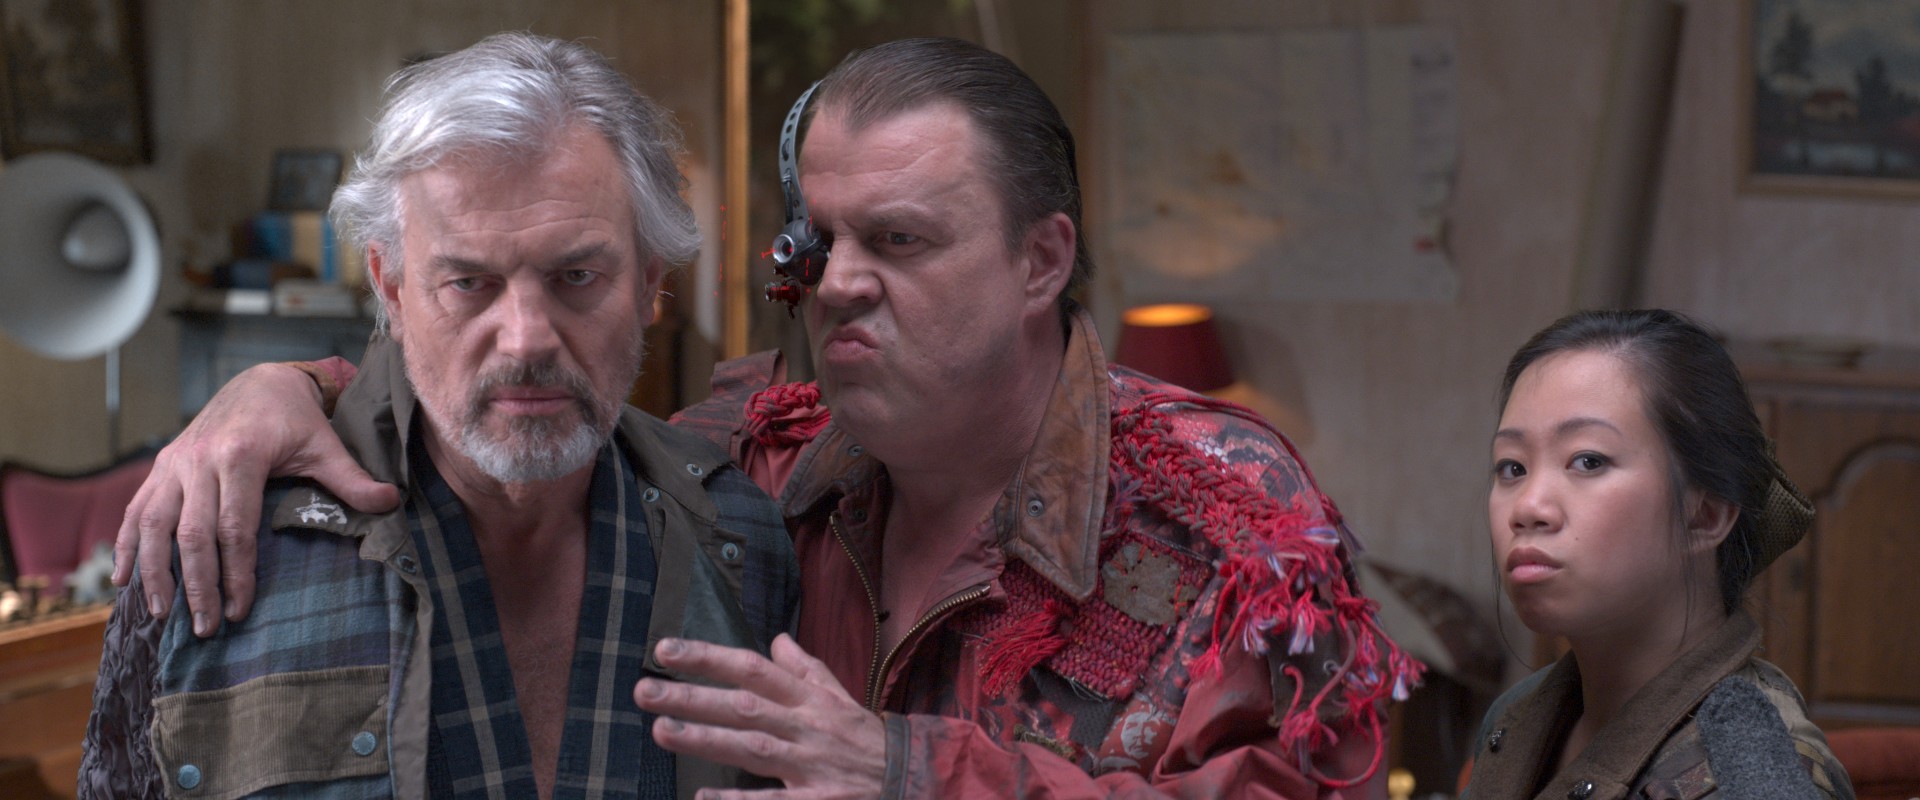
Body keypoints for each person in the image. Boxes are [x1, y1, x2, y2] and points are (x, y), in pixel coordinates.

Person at [115, 37, 1420, 797]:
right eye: (821, 238)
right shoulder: (756, 456)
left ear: (1042, 259)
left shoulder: (1226, 507)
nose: (839, 280)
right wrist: (283, 393)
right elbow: (524, 404)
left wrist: (907, 772)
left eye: (899, 239)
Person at [81, 33, 798, 799]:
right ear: (390, 288)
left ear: (649, 282)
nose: (525, 339)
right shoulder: (216, 533)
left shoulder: (739, 539)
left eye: (577, 275)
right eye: (468, 282)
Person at [1463, 310, 1852, 799]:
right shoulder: (1515, 718)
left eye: (1588, 461)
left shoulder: (1751, 778)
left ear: (1705, 515)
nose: (1527, 508)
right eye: (1512, 467)